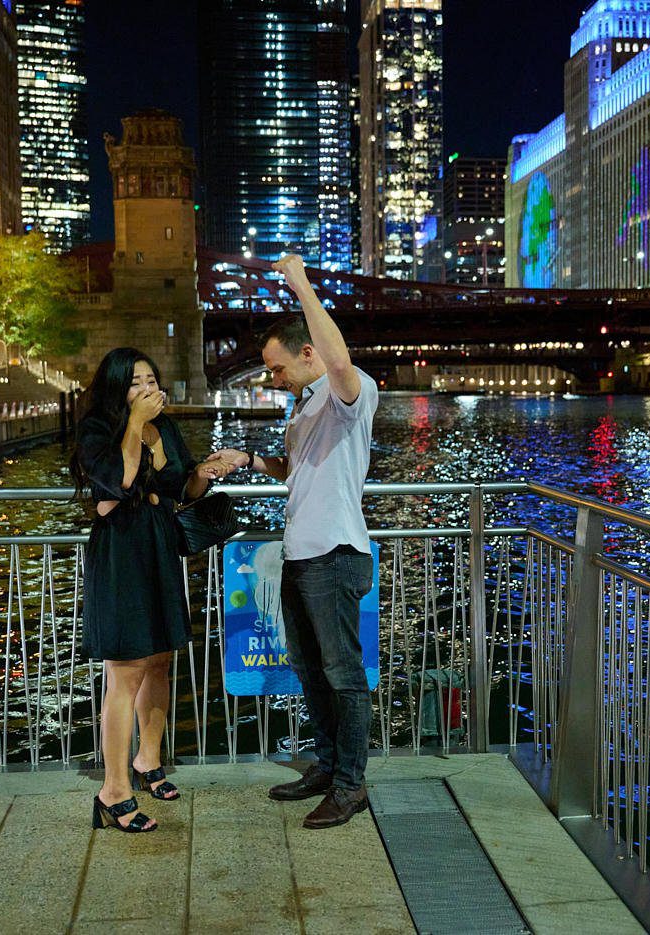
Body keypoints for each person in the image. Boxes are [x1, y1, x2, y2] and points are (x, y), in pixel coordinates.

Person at [231, 254, 380, 830]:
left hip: (335, 556)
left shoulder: (350, 390)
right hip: (300, 557)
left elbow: (340, 359)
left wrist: (301, 284)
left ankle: (351, 785)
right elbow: (296, 470)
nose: (274, 378)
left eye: (276, 368)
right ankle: (326, 763)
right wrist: (247, 459)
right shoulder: (306, 405)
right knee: (310, 669)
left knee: (343, 674)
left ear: (309, 354)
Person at [69, 347, 242, 833]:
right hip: (122, 553)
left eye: (151, 379)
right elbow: (121, 479)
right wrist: (134, 422)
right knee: (125, 670)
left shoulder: (164, 427)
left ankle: (148, 759)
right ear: (117, 388)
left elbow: (180, 490)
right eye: (135, 382)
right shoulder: (98, 429)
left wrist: (203, 474)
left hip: (160, 547)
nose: (147, 388)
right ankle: (113, 790)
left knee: (161, 659)